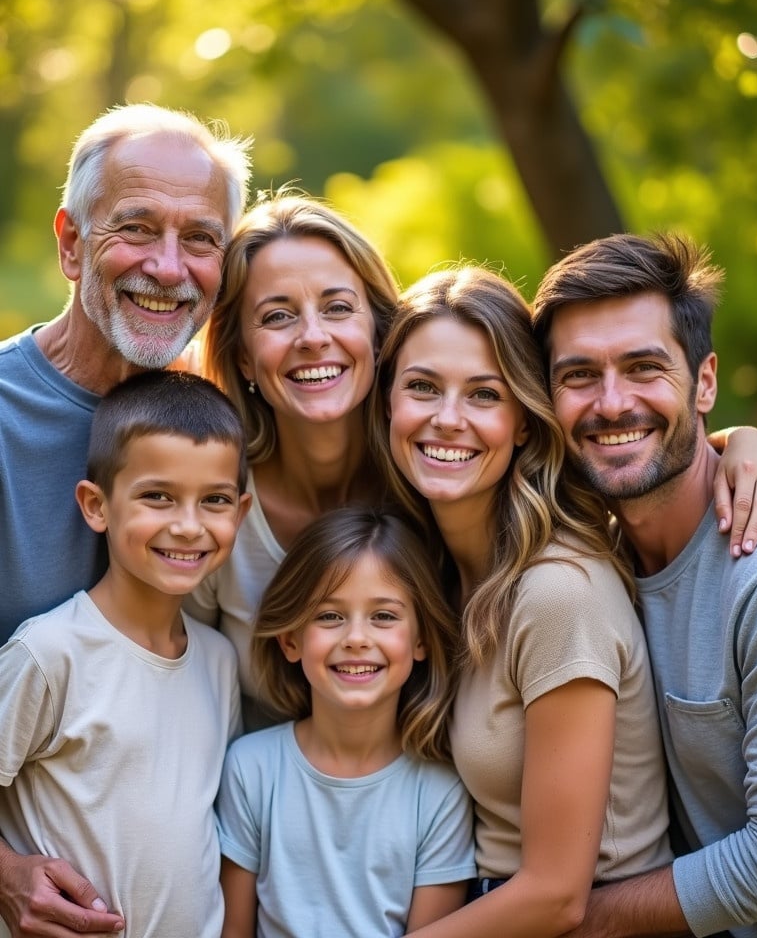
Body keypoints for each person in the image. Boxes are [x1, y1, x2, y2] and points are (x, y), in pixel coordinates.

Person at [367, 265, 672, 938]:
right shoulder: (440, 568)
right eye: (422, 388)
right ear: (388, 401)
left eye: (484, 394)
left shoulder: (557, 592)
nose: (448, 420)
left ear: (526, 423)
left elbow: (557, 894)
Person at [530, 232, 757, 938]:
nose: (611, 404)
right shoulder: (586, 553)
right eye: (578, 376)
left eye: (643, 367)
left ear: (705, 382)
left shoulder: (755, 578)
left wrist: (562, 922)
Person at [0, 370, 251, 938]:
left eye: (214, 501)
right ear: (96, 506)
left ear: (240, 512)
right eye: (157, 497)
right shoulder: (49, 653)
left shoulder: (217, 660)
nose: (188, 526)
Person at [0, 102, 251, 646]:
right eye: (137, 229)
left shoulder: (223, 421)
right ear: (72, 244)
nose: (167, 267)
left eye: (200, 239)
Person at [185, 191, 399, 728]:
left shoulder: (429, 482)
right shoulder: (213, 503)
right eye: (278, 316)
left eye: (337, 308)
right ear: (242, 357)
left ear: (376, 330)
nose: (313, 337)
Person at [215, 506, 476, 938]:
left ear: (422, 640)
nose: (356, 638)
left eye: (384, 616)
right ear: (291, 639)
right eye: (330, 616)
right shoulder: (250, 769)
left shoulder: (440, 793)